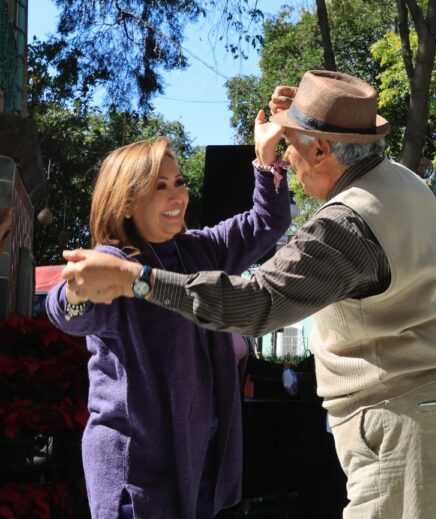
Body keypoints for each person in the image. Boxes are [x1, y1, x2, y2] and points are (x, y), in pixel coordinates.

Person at [61, 70, 436, 519]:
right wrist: (88, 291)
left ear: (322, 150)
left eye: (290, 144)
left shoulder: (344, 223)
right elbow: (68, 306)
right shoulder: (403, 183)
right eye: (160, 185)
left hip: (414, 421)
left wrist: (138, 281)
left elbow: (257, 300)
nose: (287, 156)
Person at [46, 133, 291, 519]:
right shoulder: (115, 260)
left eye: (179, 182)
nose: (177, 196)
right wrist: (75, 293)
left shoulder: (200, 249)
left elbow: (268, 221)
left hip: (200, 462)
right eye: (159, 186)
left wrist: (265, 159)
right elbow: (66, 308)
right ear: (127, 202)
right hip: (138, 476)